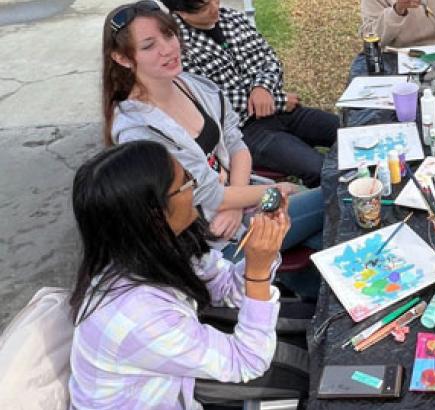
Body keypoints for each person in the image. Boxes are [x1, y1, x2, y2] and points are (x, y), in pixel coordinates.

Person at [68, 140, 289, 408]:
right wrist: (257, 273)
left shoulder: (157, 248)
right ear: (156, 215)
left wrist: (260, 255)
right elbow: (247, 362)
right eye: (185, 182)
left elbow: (224, 288)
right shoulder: (137, 314)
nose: (196, 186)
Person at [101, 1, 322, 252]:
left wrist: (236, 203)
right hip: (211, 239)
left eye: (169, 35)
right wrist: (276, 189)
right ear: (121, 58)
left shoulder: (194, 86)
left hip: (240, 204)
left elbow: (236, 144)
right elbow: (206, 196)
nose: (168, 49)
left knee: (328, 242)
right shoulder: (138, 131)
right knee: (333, 201)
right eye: (149, 45)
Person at [163, 0, 339, 188]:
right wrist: (279, 100)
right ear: (181, 13)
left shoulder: (233, 18)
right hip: (244, 131)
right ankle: (335, 209)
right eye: (204, 6)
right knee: (318, 168)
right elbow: (213, 101)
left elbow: (269, 59)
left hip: (279, 110)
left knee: (350, 131)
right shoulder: (176, 47)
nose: (215, 7)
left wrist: (262, 88)